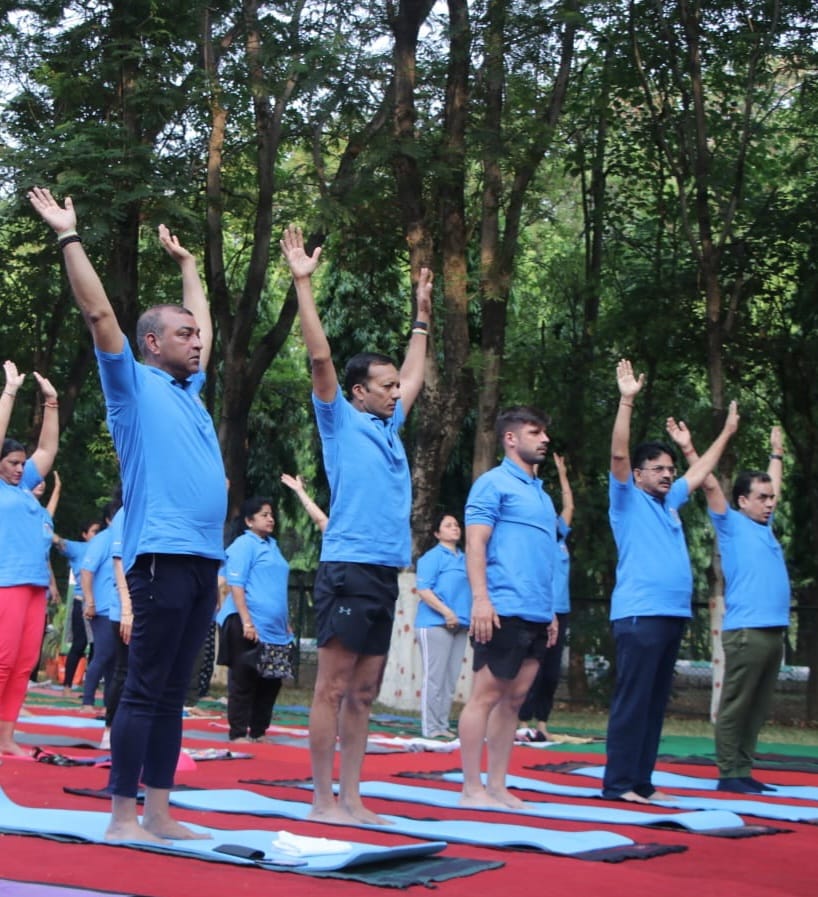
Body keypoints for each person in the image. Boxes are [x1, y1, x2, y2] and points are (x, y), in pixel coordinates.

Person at [29, 187, 226, 843]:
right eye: (183, 334)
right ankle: (122, 816)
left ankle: (160, 812)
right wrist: (67, 235)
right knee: (144, 688)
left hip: (201, 560)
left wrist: (190, 267)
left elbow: (202, 321)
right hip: (160, 556)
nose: (196, 342)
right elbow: (97, 311)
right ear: (151, 342)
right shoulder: (132, 385)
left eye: (196, 335)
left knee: (172, 692)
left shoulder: (189, 389)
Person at [280, 224, 432, 824]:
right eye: (386, 387)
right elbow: (320, 356)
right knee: (334, 687)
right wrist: (303, 283)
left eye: (396, 387)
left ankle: (352, 799)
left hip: (384, 573)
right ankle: (322, 801)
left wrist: (421, 318)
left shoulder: (390, 427)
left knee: (364, 693)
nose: (397, 393)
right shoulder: (339, 420)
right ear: (357, 392)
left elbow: (414, 374)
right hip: (347, 567)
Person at [602, 358, 739, 803]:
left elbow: (699, 473)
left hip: (671, 615)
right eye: (657, 468)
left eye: (669, 468)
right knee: (633, 701)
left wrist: (724, 434)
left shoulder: (670, 502)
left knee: (654, 703)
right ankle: (618, 784)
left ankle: (641, 782)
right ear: (638, 474)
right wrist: (626, 401)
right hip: (639, 616)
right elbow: (618, 454)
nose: (666, 474)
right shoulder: (626, 499)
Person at [458, 406, 559, 809]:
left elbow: (542, 557)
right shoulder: (492, 484)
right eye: (535, 432)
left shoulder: (542, 496)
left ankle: (497, 785)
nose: (545, 439)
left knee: (514, 701)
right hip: (501, 607)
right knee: (485, 697)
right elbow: (475, 543)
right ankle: (471, 789)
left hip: (537, 611)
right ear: (511, 438)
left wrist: (550, 610)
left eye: (544, 432)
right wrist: (481, 599)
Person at [700, 426, 790, 793]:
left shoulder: (765, 527)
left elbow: (774, 483)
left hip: (772, 631)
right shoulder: (731, 524)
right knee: (736, 705)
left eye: (771, 498)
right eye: (761, 498)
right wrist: (690, 448)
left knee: (756, 708)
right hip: (746, 632)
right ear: (742, 501)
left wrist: (776, 453)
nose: (769, 503)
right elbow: (708, 484)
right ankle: (729, 773)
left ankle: (743, 769)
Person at [0, 360, 59, 755]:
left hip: (35, 585)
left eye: (23, 463)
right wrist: (10, 391)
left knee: (24, 664)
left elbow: (48, 449)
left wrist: (51, 402)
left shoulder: (24, 490)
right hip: (6, 582)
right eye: (13, 463)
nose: (21, 469)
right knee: (3, 660)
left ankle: (6, 738)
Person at [218, 497, 294, 742]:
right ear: (249, 521)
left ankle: (259, 730)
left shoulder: (273, 546)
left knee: (271, 681)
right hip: (248, 623)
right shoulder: (243, 545)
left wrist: (285, 621)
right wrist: (247, 621)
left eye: (271, 514)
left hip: (275, 628)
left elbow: (275, 587)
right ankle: (238, 732)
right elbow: (236, 585)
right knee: (244, 678)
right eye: (264, 515)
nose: (270, 519)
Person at [518, 452, 574, 740]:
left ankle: (542, 722)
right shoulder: (536, 539)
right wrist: (534, 470)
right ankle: (522, 720)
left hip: (560, 612)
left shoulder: (560, 538)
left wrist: (562, 474)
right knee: (532, 667)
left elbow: (569, 505)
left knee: (551, 672)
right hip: (539, 608)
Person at [414, 513, 471, 739]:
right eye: (448, 525)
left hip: (460, 625)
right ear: (437, 533)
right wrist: (446, 612)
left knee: (450, 679)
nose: (455, 528)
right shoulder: (432, 557)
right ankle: (430, 727)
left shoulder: (465, 558)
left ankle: (442, 724)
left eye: (456, 525)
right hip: (434, 623)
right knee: (434, 678)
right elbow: (424, 590)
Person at [79, 499, 122, 713]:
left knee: (115, 660)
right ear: (109, 520)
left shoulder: (125, 538)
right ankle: (87, 701)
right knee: (103, 655)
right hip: (102, 607)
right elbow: (86, 571)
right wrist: (90, 602)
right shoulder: (103, 539)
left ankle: (108, 705)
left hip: (119, 609)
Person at [54, 516, 101, 696]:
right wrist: (42, 521)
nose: (98, 535)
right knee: (79, 644)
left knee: (98, 647)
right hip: (82, 601)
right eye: (94, 532)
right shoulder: (78, 548)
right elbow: (57, 540)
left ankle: (90, 689)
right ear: (84, 534)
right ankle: (67, 687)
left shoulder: (106, 547)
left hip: (101, 604)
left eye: (100, 532)